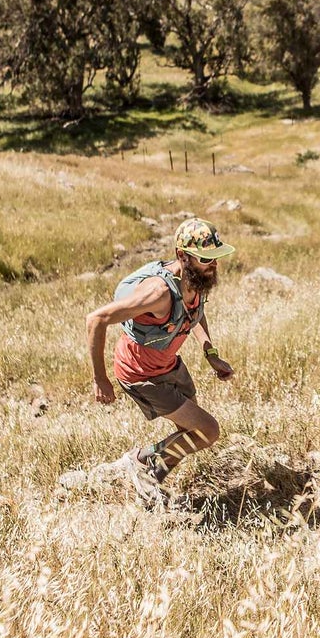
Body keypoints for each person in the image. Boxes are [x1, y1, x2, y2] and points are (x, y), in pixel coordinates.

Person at [86, 217, 237, 507]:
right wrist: (100, 379)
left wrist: (210, 353)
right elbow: (96, 319)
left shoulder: (196, 279)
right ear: (183, 256)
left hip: (169, 366)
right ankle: (142, 466)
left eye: (217, 257)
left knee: (188, 432)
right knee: (208, 430)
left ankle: (140, 469)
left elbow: (195, 312)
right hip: (140, 373)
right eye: (207, 258)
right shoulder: (158, 293)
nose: (214, 264)